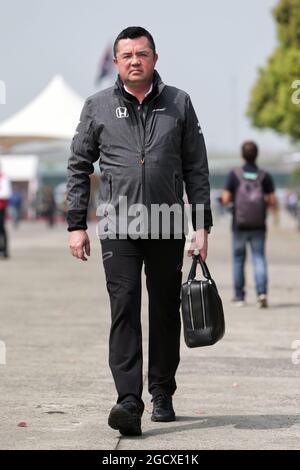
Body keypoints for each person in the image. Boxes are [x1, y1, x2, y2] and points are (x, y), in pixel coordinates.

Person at [67, 26, 213, 436]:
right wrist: (76, 224)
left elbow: (196, 170)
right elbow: (79, 165)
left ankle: (162, 391)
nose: (135, 60)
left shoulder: (179, 103)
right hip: (118, 225)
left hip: (167, 222)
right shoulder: (97, 106)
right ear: (116, 62)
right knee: (125, 306)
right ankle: (129, 400)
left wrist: (200, 225)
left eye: (143, 54)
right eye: (127, 55)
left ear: (155, 58)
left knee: (165, 310)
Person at [222, 141, 276, 308]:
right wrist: (262, 207)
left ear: (242, 155)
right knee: (259, 257)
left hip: (239, 224)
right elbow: (272, 200)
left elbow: (225, 199)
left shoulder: (234, 174)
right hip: (259, 225)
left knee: (238, 259)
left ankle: (239, 296)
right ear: (256, 155)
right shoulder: (264, 175)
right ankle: (261, 293)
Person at [0, 166, 12, 258]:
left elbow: (6, 193)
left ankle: (4, 250)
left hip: (1, 207)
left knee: (1, 229)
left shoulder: (3, 177)